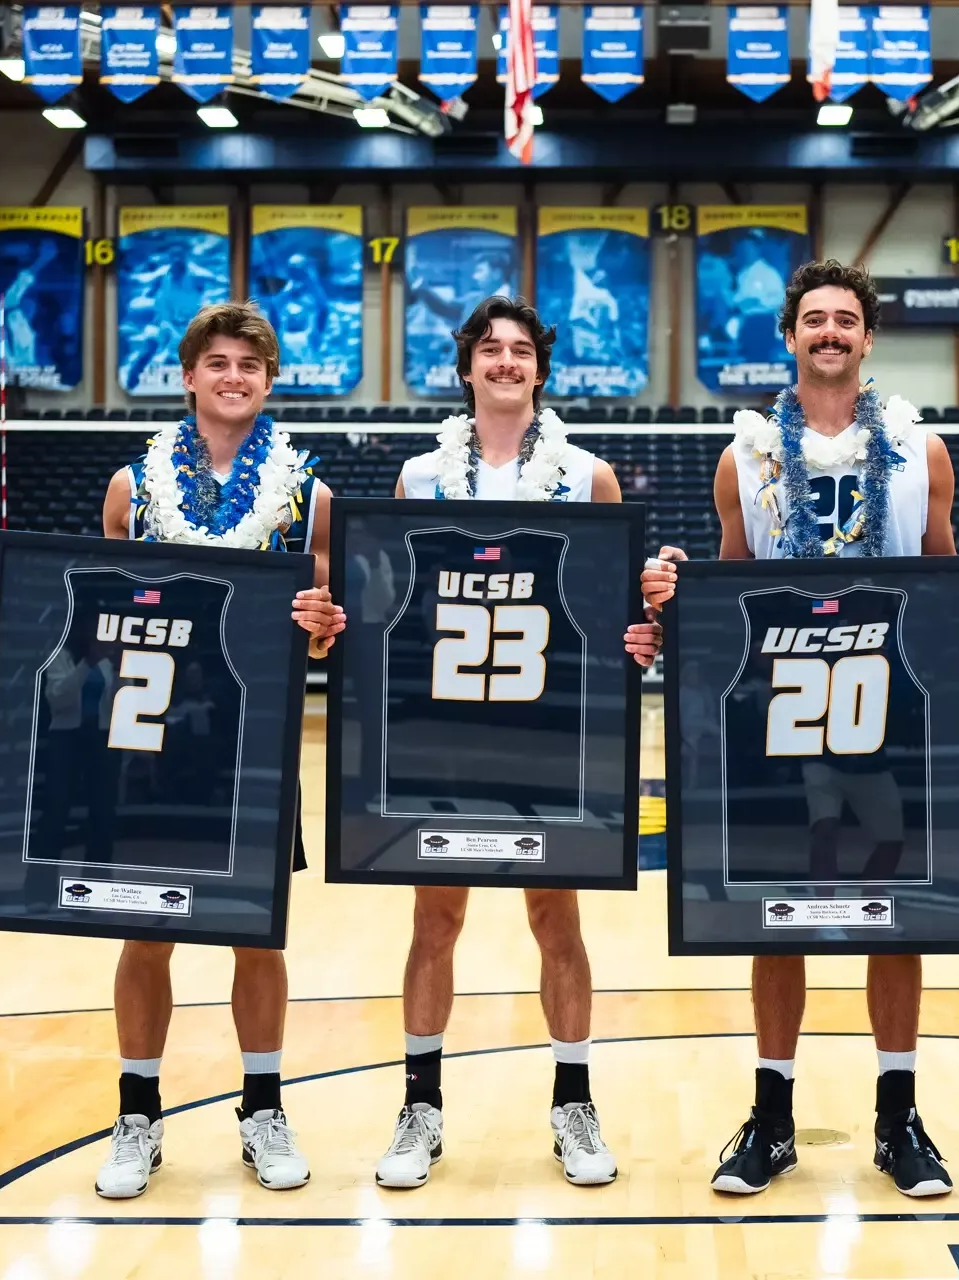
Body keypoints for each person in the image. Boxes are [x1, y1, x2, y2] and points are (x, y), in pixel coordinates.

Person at [0, 300, 347, 1200]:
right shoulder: (130, 490)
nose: (233, 378)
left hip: (251, 739)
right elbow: (89, 621)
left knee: (258, 935)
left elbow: (325, 629)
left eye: (249, 366)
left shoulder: (308, 496)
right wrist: (5, 609)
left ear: (268, 380)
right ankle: (138, 1115)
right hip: (140, 741)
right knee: (144, 928)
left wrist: (324, 626)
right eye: (217, 363)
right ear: (188, 376)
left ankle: (262, 1109)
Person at [638, 259, 959, 1200]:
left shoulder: (922, 451)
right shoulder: (745, 455)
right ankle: (772, 1116)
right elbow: (732, 586)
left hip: (889, 710)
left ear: (868, 339)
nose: (829, 332)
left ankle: (899, 1117)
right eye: (813, 319)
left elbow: (940, 583)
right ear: (789, 338)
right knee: (773, 917)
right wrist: (674, 593)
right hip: (777, 715)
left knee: (894, 920)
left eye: (845, 320)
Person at [373, 295, 636, 1192]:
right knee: (433, 920)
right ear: (467, 367)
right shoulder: (418, 479)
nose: (507, 362)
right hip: (446, 728)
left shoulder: (589, 476)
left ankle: (573, 1103)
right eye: (491, 349)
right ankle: (420, 1108)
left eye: (522, 350)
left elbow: (609, 615)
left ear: (541, 369)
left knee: (555, 919)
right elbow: (396, 613)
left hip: (549, 733)